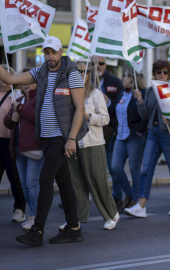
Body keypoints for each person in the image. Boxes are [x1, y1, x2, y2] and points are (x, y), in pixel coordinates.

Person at [2, 36, 89, 246]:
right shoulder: (39, 72)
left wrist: (71, 139)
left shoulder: (72, 73)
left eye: (54, 52)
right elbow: (11, 80)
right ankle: (73, 228)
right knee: (64, 182)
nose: (50, 57)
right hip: (47, 138)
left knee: (44, 180)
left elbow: (80, 109)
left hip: (62, 138)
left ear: (61, 52)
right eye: (47, 53)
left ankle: (37, 231)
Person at [125, 60, 170, 217]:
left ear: (169, 75)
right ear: (154, 74)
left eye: (165, 72)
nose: (162, 75)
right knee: (147, 168)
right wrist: (140, 101)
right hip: (153, 132)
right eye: (159, 72)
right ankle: (141, 205)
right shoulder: (151, 91)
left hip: (169, 132)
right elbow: (145, 116)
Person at [68, 62, 119, 230]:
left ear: (89, 75)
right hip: (74, 143)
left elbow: (105, 119)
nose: (81, 74)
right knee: (77, 184)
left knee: (98, 181)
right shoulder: (69, 94)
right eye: (78, 71)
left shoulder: (95, 94)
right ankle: (78, 220)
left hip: (93, 143)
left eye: (84, 72)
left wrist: (88, 115)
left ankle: (111, 214)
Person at [4, 68, 43, 230]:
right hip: (19, 148)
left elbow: (37, 117)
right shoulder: (19, 99)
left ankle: (35, 216)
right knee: (24, 184)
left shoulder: (40, 98)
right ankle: (32, 214)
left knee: (32, 182)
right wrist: (11, 117)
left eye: (29, 81)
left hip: (34, 148)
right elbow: (8, 123)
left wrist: (20, 109)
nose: (26, 85)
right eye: (24, 81)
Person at [111, 67, 147, 213]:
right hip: (120, 136)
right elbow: (117, 111)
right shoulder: (122, 93)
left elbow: (145, 115)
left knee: (134, 169)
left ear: (132, 78)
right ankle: (130, 193)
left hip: (134, 137)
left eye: (125, 76)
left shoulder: (141, 93)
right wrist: (108, 103)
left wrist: (139, 131)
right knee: (115, 167)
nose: (123, 78)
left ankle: (136, 200)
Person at [91, 56, 124, 210]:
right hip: (89, 130)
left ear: (106, 65)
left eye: (101, 63)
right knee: (89, 166)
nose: (97, 66)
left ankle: (117, 197)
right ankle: (78, 199)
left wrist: (107, 103)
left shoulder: (115, 82)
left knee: (112, 167)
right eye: (93, 63)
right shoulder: (85, 80)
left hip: (109, 131)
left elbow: (120, 106)